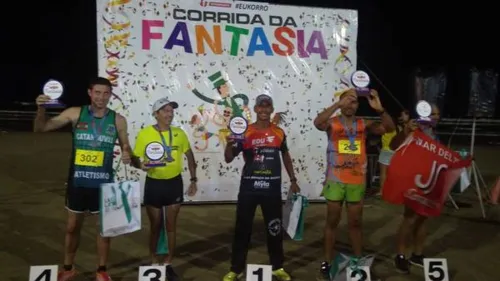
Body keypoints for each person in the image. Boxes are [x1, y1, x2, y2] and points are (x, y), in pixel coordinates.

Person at [34, 77, 133, 281]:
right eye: (97, 92)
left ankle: (102, 270)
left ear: (110, 95)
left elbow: (126, 146)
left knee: (104, 230)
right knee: (72, 227)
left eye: (106, 93)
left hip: (103, 185)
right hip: (77, 182)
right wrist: (41, 109)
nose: (101, 97)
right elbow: (41, 128)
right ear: (90, 92)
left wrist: (126, 152)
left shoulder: (118, 119)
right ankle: (68, 268)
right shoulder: (75, 113)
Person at [312, 89, 396, 280]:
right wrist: (336, 105)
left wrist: (380, 110)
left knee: (355, 224)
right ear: (341, 103)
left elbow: (389, 129)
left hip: (356, 180)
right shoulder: (332, 124)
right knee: (332, 222)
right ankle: (327, 260)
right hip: (335, 179)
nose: (350, 105)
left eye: (354, 102)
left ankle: (358, 262)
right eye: (347, 101)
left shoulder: (363, 124)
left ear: (358, 105)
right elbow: (317, 123)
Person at [222, 94, 300, 281]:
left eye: (268, 107)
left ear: (272, 110)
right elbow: (228, 158)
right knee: (242, 229)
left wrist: (293, 179)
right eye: (261, 107)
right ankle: (236, 269)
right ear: (256, 109)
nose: (264, 110)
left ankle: (277, 267)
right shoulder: (245, 132)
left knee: (274, 229)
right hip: (249, 188)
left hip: (271, 189)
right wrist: (230, 143)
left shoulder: (279, 132)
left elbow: (286, 156)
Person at [131, 97, 198, 281]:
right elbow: (136, 158)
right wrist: (140, 165)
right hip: (154, 184)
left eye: (171, 110)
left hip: (174, 184)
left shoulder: (179, 133)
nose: (170, 114)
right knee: (155, 226)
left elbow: (190, 157)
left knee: (171, 227)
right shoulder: (145, 134)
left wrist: (193, 179)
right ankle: (154, 262)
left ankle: (168, 263)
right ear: (156, 114)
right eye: (165, 110)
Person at [390, 103, 440, 274]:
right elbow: (393, 145)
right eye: (433, 113)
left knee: (424, 218)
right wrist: (406, 130)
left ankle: (417, 254)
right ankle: (400, 255)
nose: (435, 117)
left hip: (430, 181)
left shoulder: (434, 133)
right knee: (409, 219)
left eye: (438, 114)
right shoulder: (413, 130)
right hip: (413, 182)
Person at [377, 109, 410, 193]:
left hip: (386, 150)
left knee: (383, 173)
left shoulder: (387, 127)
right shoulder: (400, 128)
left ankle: (382, 191)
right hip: (395, 152)